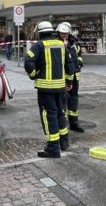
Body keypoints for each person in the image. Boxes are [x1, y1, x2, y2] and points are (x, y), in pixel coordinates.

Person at [25, 21, 74, 158]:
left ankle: (52, 148)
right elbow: (69, 63)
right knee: (60, 113)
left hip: (45, 88)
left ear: (40, 33)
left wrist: (33, 75)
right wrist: (69, 81)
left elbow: (28, 61)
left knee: (49, 116)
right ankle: (64, 142)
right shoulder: (61, 44)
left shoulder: (39, 45)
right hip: (60, 87)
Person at [58, 22, 84, 132]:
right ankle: (63, 125)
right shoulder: (57, 44)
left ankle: (74, 123)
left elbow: (79, 55)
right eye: (62, 33)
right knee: (63, 100)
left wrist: (79, 63)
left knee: (73, 100)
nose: (64, 35)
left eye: (65, 33)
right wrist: (63, 46)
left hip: (74, 77)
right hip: (63, 77)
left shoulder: (74, 43)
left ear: (69, 33)